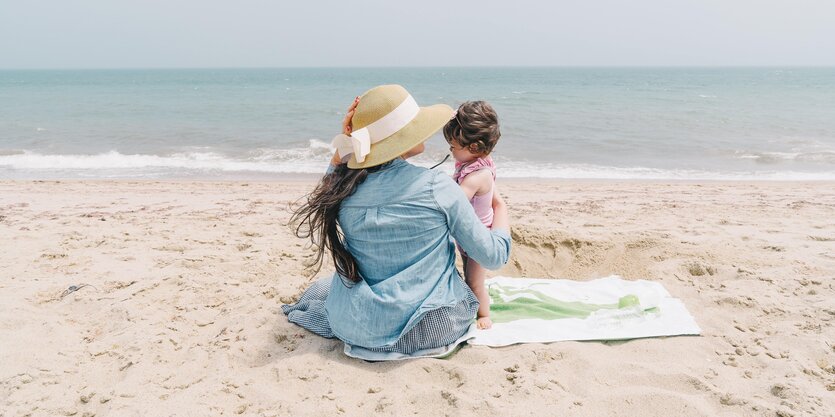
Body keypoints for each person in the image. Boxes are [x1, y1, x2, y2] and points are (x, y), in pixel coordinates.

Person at [283, 85, 511, 357]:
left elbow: (325, 190)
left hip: (358, 323)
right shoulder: (437, 187)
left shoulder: (341, 191)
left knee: (325, 289)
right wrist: (500, 207)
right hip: (431, 328)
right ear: (400, 138)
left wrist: (343, 149)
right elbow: (493, 256)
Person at [442, 101, 502, 329]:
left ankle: (484, 314)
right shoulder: (477, 163)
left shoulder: (477, 177)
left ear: (475, 147)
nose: (451, 151)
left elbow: (455, 200)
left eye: (454, 146)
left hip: (478, 239)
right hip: (468, 236)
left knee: (474, 281)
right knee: (468, 272)